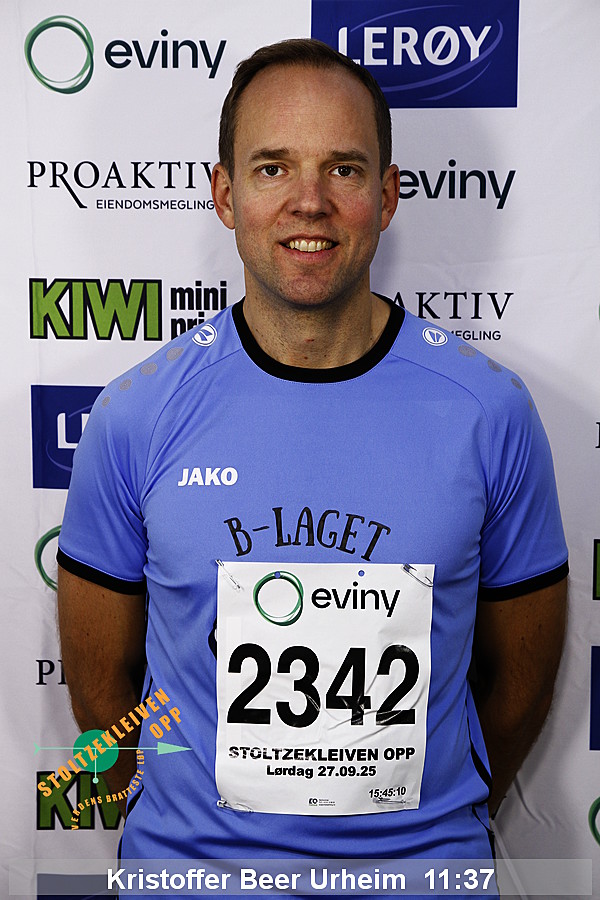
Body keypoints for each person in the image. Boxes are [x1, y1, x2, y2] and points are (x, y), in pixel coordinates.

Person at [57, 38, 567, 874]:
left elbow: (518, 685)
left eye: (344, 169)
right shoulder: (134, 416)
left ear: (387, 196)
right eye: (272, 168)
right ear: (225, 196)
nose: (309, 202)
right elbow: (101, 687)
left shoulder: (492, 412)